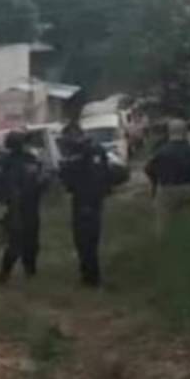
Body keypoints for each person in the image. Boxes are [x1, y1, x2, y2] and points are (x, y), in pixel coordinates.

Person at [59, 122, 111, 288]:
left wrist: (91, 201)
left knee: (88, 240)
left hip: (89, 201)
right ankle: (86, 275)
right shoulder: (77, 151)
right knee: (81, 240)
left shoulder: (92, 150)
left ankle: (92, 279)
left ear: (76, 134)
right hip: (79, 199)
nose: (66, 142)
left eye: (68, 137)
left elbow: (97, 178)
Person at [0, 131, 45, 285]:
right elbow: (5, 188)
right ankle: (4, 277)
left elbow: (37, 183)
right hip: (16, 208)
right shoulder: (9, 163)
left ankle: (29, 274)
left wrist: (43, 181)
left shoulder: (31, 160)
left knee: (31, 243)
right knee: (16, 244)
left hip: (29, 207)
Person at [144, 119, 190, 237]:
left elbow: (148, 168)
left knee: (164, 224)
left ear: (169, 132)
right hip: (189, 188)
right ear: (185, 132)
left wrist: (155, 182)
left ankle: (166, 246)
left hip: (167, 189)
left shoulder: (162, 151)